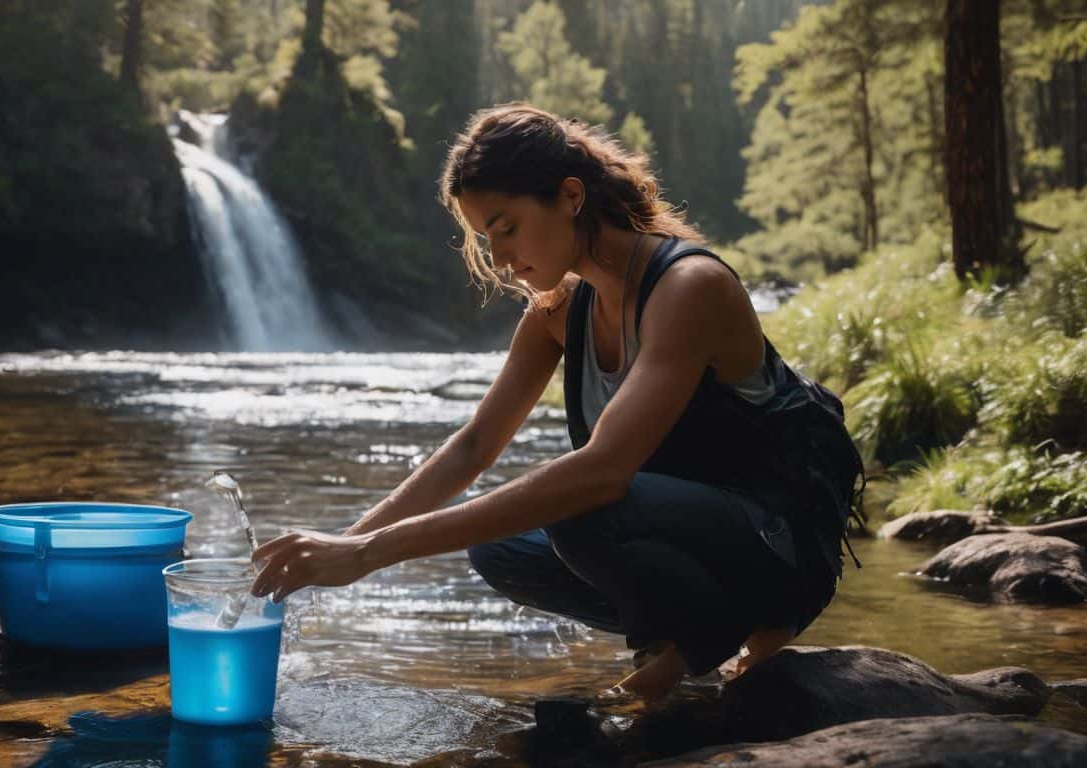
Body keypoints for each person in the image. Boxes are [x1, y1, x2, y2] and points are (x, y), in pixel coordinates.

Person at [250, 103, 863, 704]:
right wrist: (342, 549)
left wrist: (368, 553)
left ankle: (728, 632)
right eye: (486, 240)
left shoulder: (688, 287)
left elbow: (603, 473)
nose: (500, 261)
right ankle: (684, 641)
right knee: (501, 549)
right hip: (693, 534)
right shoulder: (558, 311)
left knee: (578, 506)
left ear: (571, 197)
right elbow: (472, 448)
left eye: (507, 228)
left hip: (780, 545)